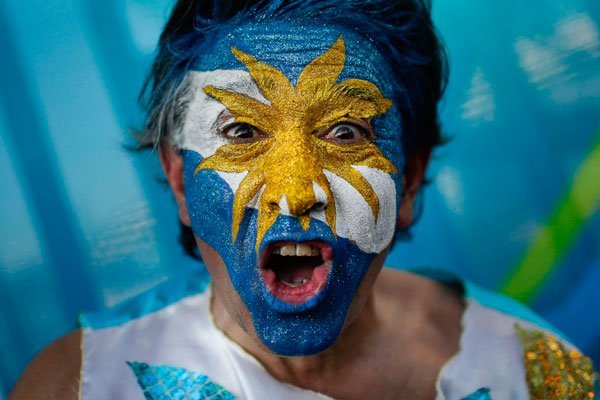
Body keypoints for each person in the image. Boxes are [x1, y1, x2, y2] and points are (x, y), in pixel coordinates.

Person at [10, 0, 597, 399]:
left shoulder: (535, 370)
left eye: (347, 132)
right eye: (241, 132)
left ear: (411, 181)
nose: (295, 194)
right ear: (182, 183)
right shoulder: (82, 384)